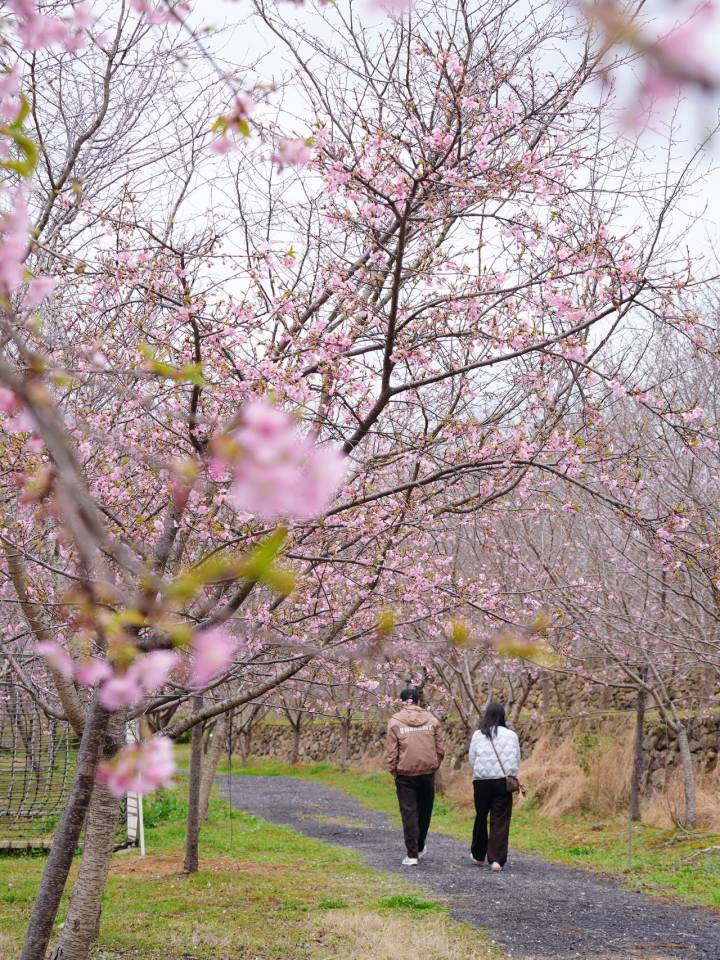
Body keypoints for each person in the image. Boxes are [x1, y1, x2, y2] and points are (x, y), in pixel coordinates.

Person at [384, 687, 445, 866]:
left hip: (404, 774)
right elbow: (440, 748)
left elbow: (391, 752)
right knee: (425, 811)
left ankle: (412, 855)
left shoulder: (394, 722)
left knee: (409, 812)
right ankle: (419, 847)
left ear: (402, 702)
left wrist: (394, 770)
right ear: (418, 701)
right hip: (428, 772)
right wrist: (434, 764)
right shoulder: (432, 720)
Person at [468, 702, 521, 872]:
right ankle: (496, 860)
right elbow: (516, 759)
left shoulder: (478, 734)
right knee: (500, 820)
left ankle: (478, 855)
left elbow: (472, 758)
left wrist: (480, 772)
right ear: (503, 716)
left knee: (481, 816)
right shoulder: (511, 735)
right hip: (502, 781)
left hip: (481, 781)